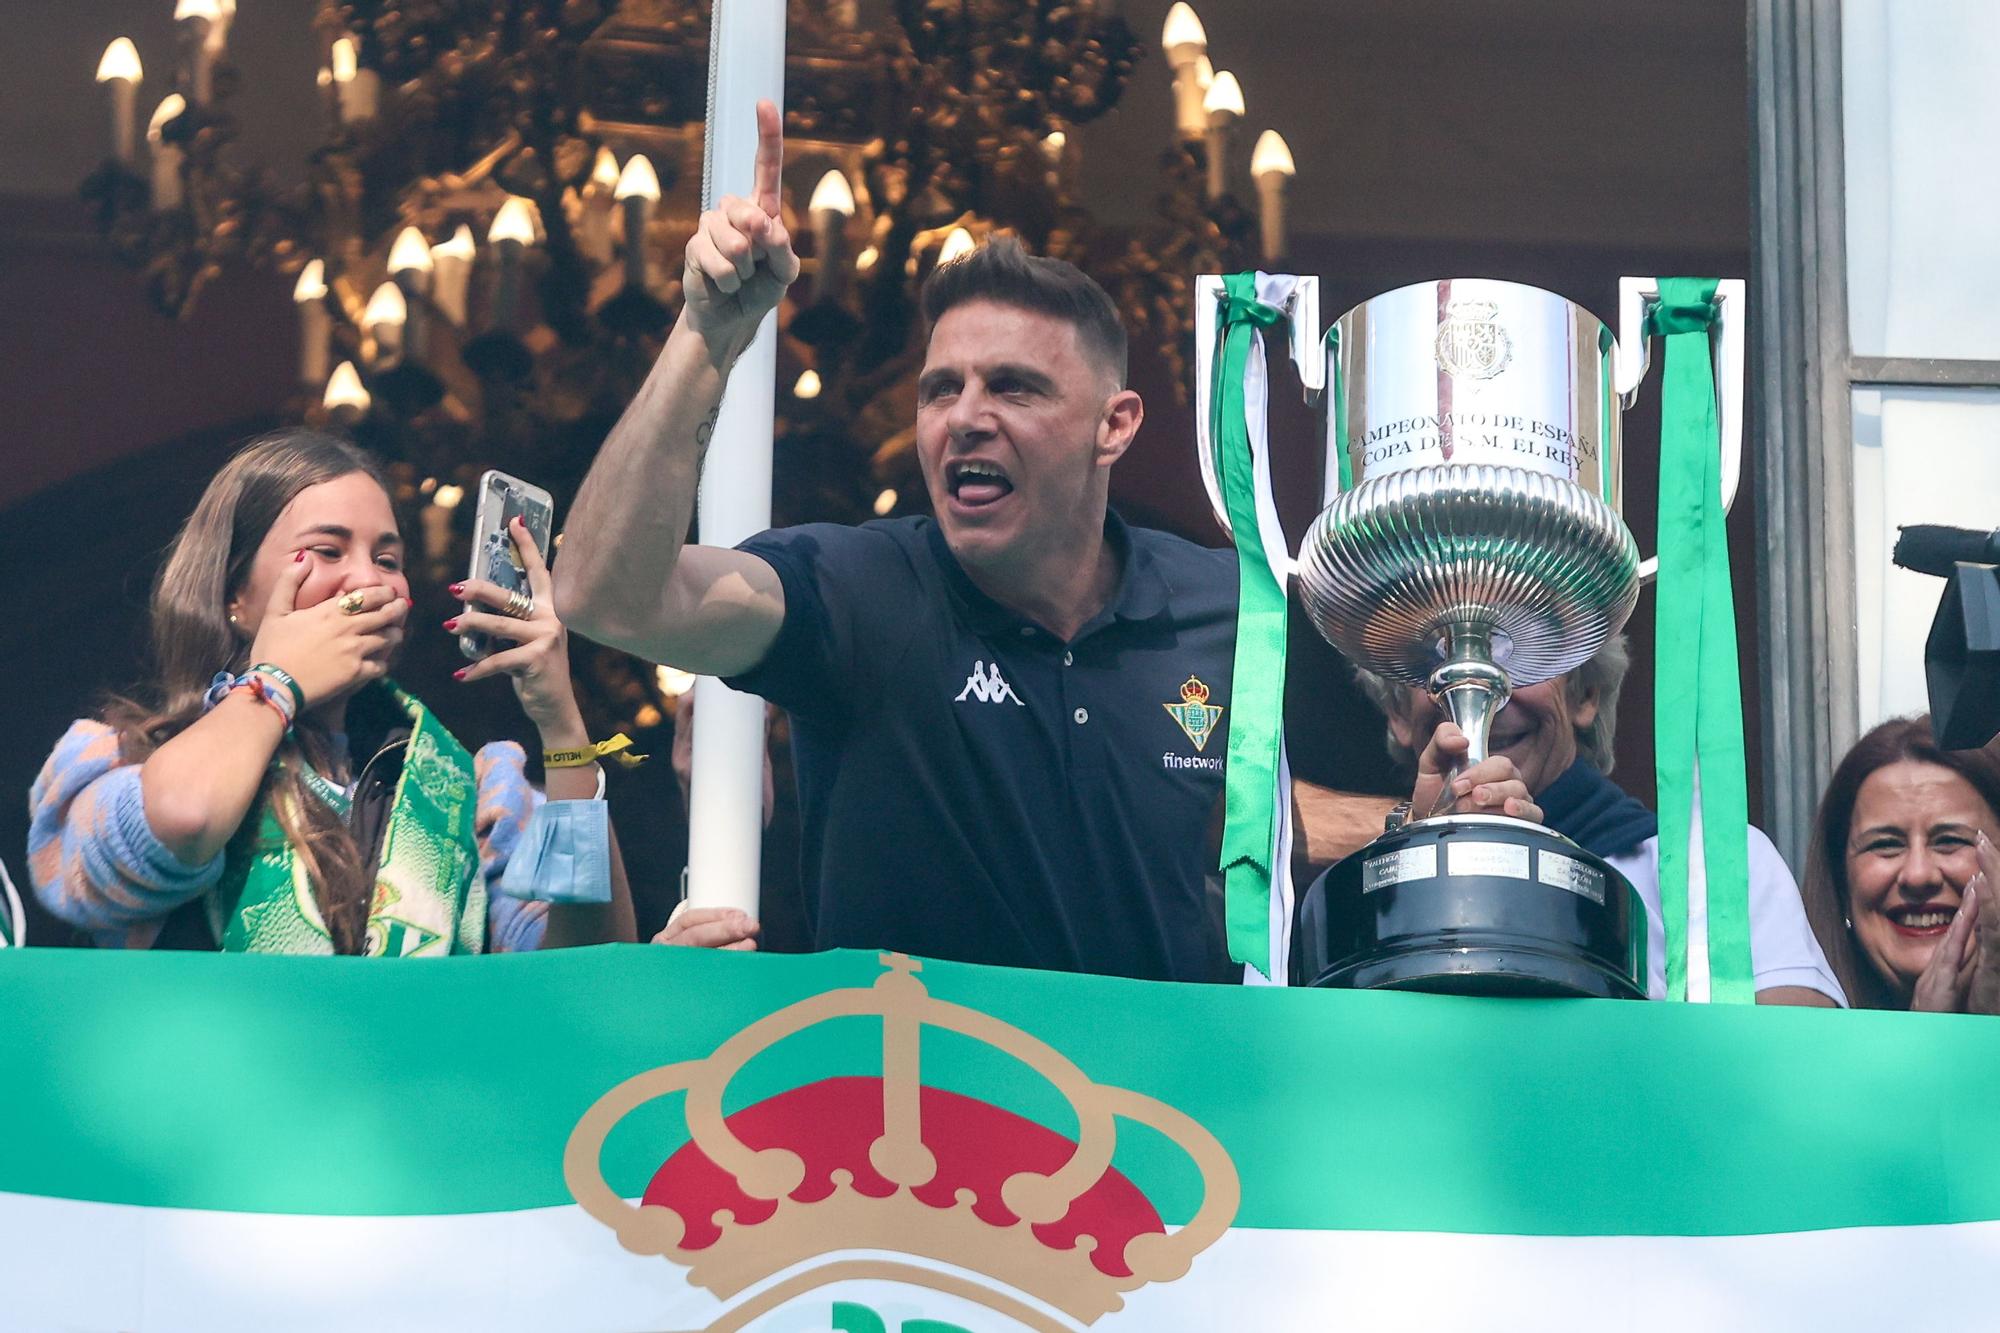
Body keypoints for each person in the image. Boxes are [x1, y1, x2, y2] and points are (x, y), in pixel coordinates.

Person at [555, 102, 1536, 981]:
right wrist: (706, 333)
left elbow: (1210, 830)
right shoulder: (862, 589)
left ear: (1113, 425)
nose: (963, 417)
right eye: (942, 388)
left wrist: (1411, 830)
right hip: (910, 1139)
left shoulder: (1228, 605)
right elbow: (603, 595)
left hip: (1169, 1148)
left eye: (1013, 387)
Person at [27, 429, 638, 954]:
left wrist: (562, 727)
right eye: (327, 550)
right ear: (233, 594)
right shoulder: (122, 760)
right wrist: (276, 681)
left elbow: (588, 967)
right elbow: (184, 820)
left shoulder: (466, 790)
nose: (368, 579)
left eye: (389, 559)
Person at [1340, 637, 1846, 1005]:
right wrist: (1422, 869)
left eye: (1520, 645)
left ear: (1585, 694)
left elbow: (1804, 1072)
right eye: (1438, 653)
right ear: (1397, 713)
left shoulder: (1710, 868)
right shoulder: (1352, 902)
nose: (1482, 689)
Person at [1798, 716, 2000, 1012]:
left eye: (1950, 840)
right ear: (1842, 885)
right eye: (1885, 845)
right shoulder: (1801, 1047)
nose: (1918, 875)